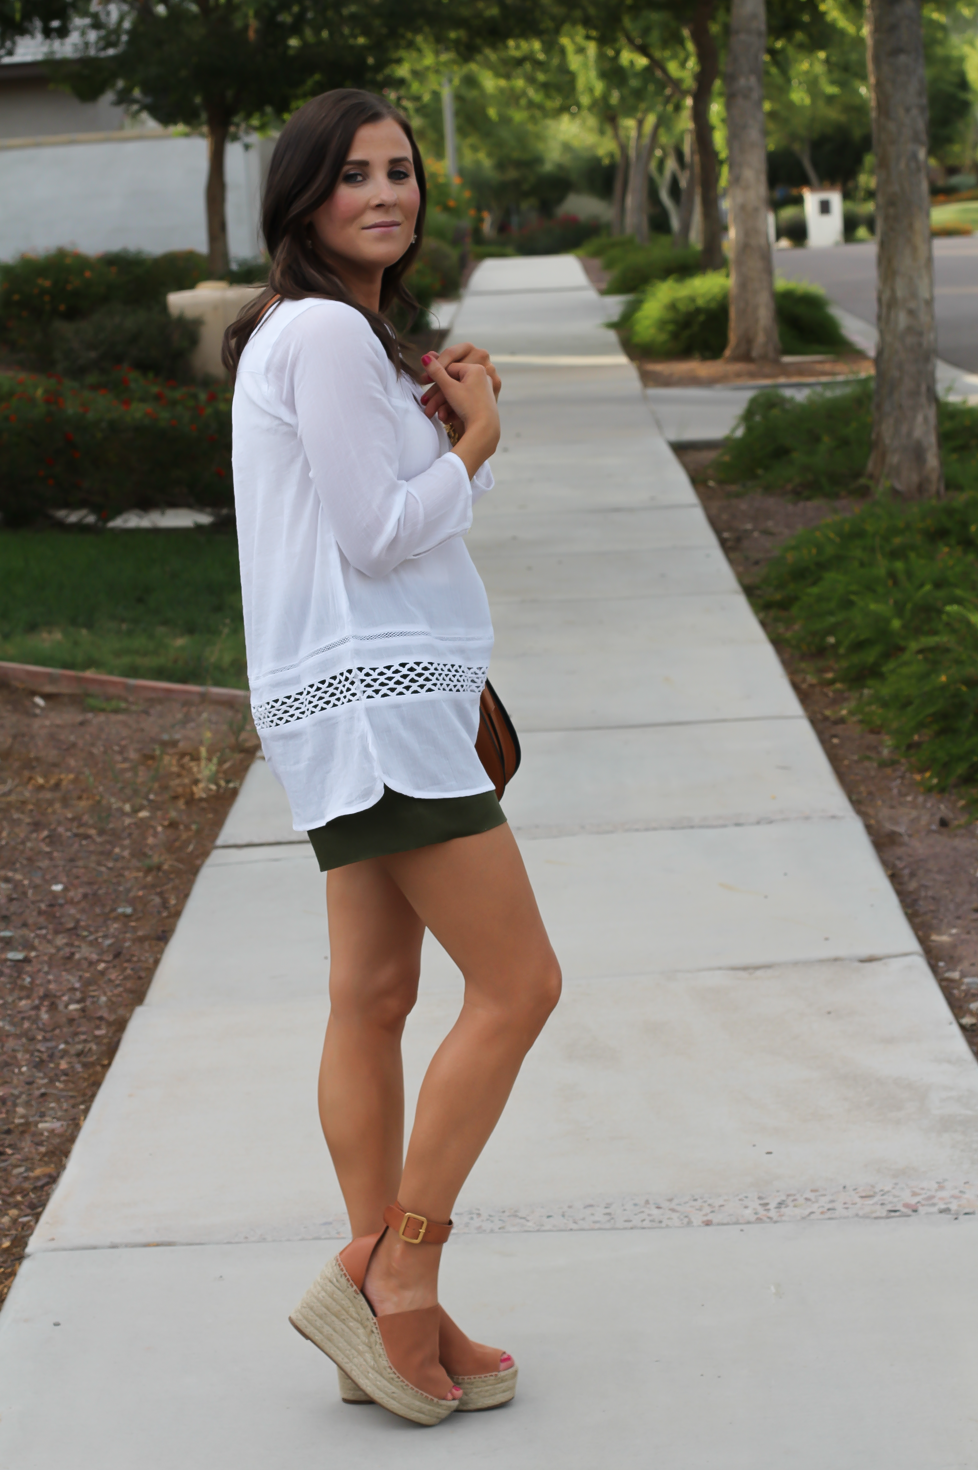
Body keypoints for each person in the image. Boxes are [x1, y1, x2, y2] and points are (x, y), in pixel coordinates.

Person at [223, 88, 561, 1427]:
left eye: (401, 171)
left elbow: (360, 512)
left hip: (345, 701)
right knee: (520, 980)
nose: (385, 192)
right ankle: (406, 1266)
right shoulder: (316, 330)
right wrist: (475, 440)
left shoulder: (326, 335)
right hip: (382, 708)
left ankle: (372, 1278)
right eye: (353, 174)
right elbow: (377, 534)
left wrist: (436, 406)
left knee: (369, 995)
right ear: (303, 198)